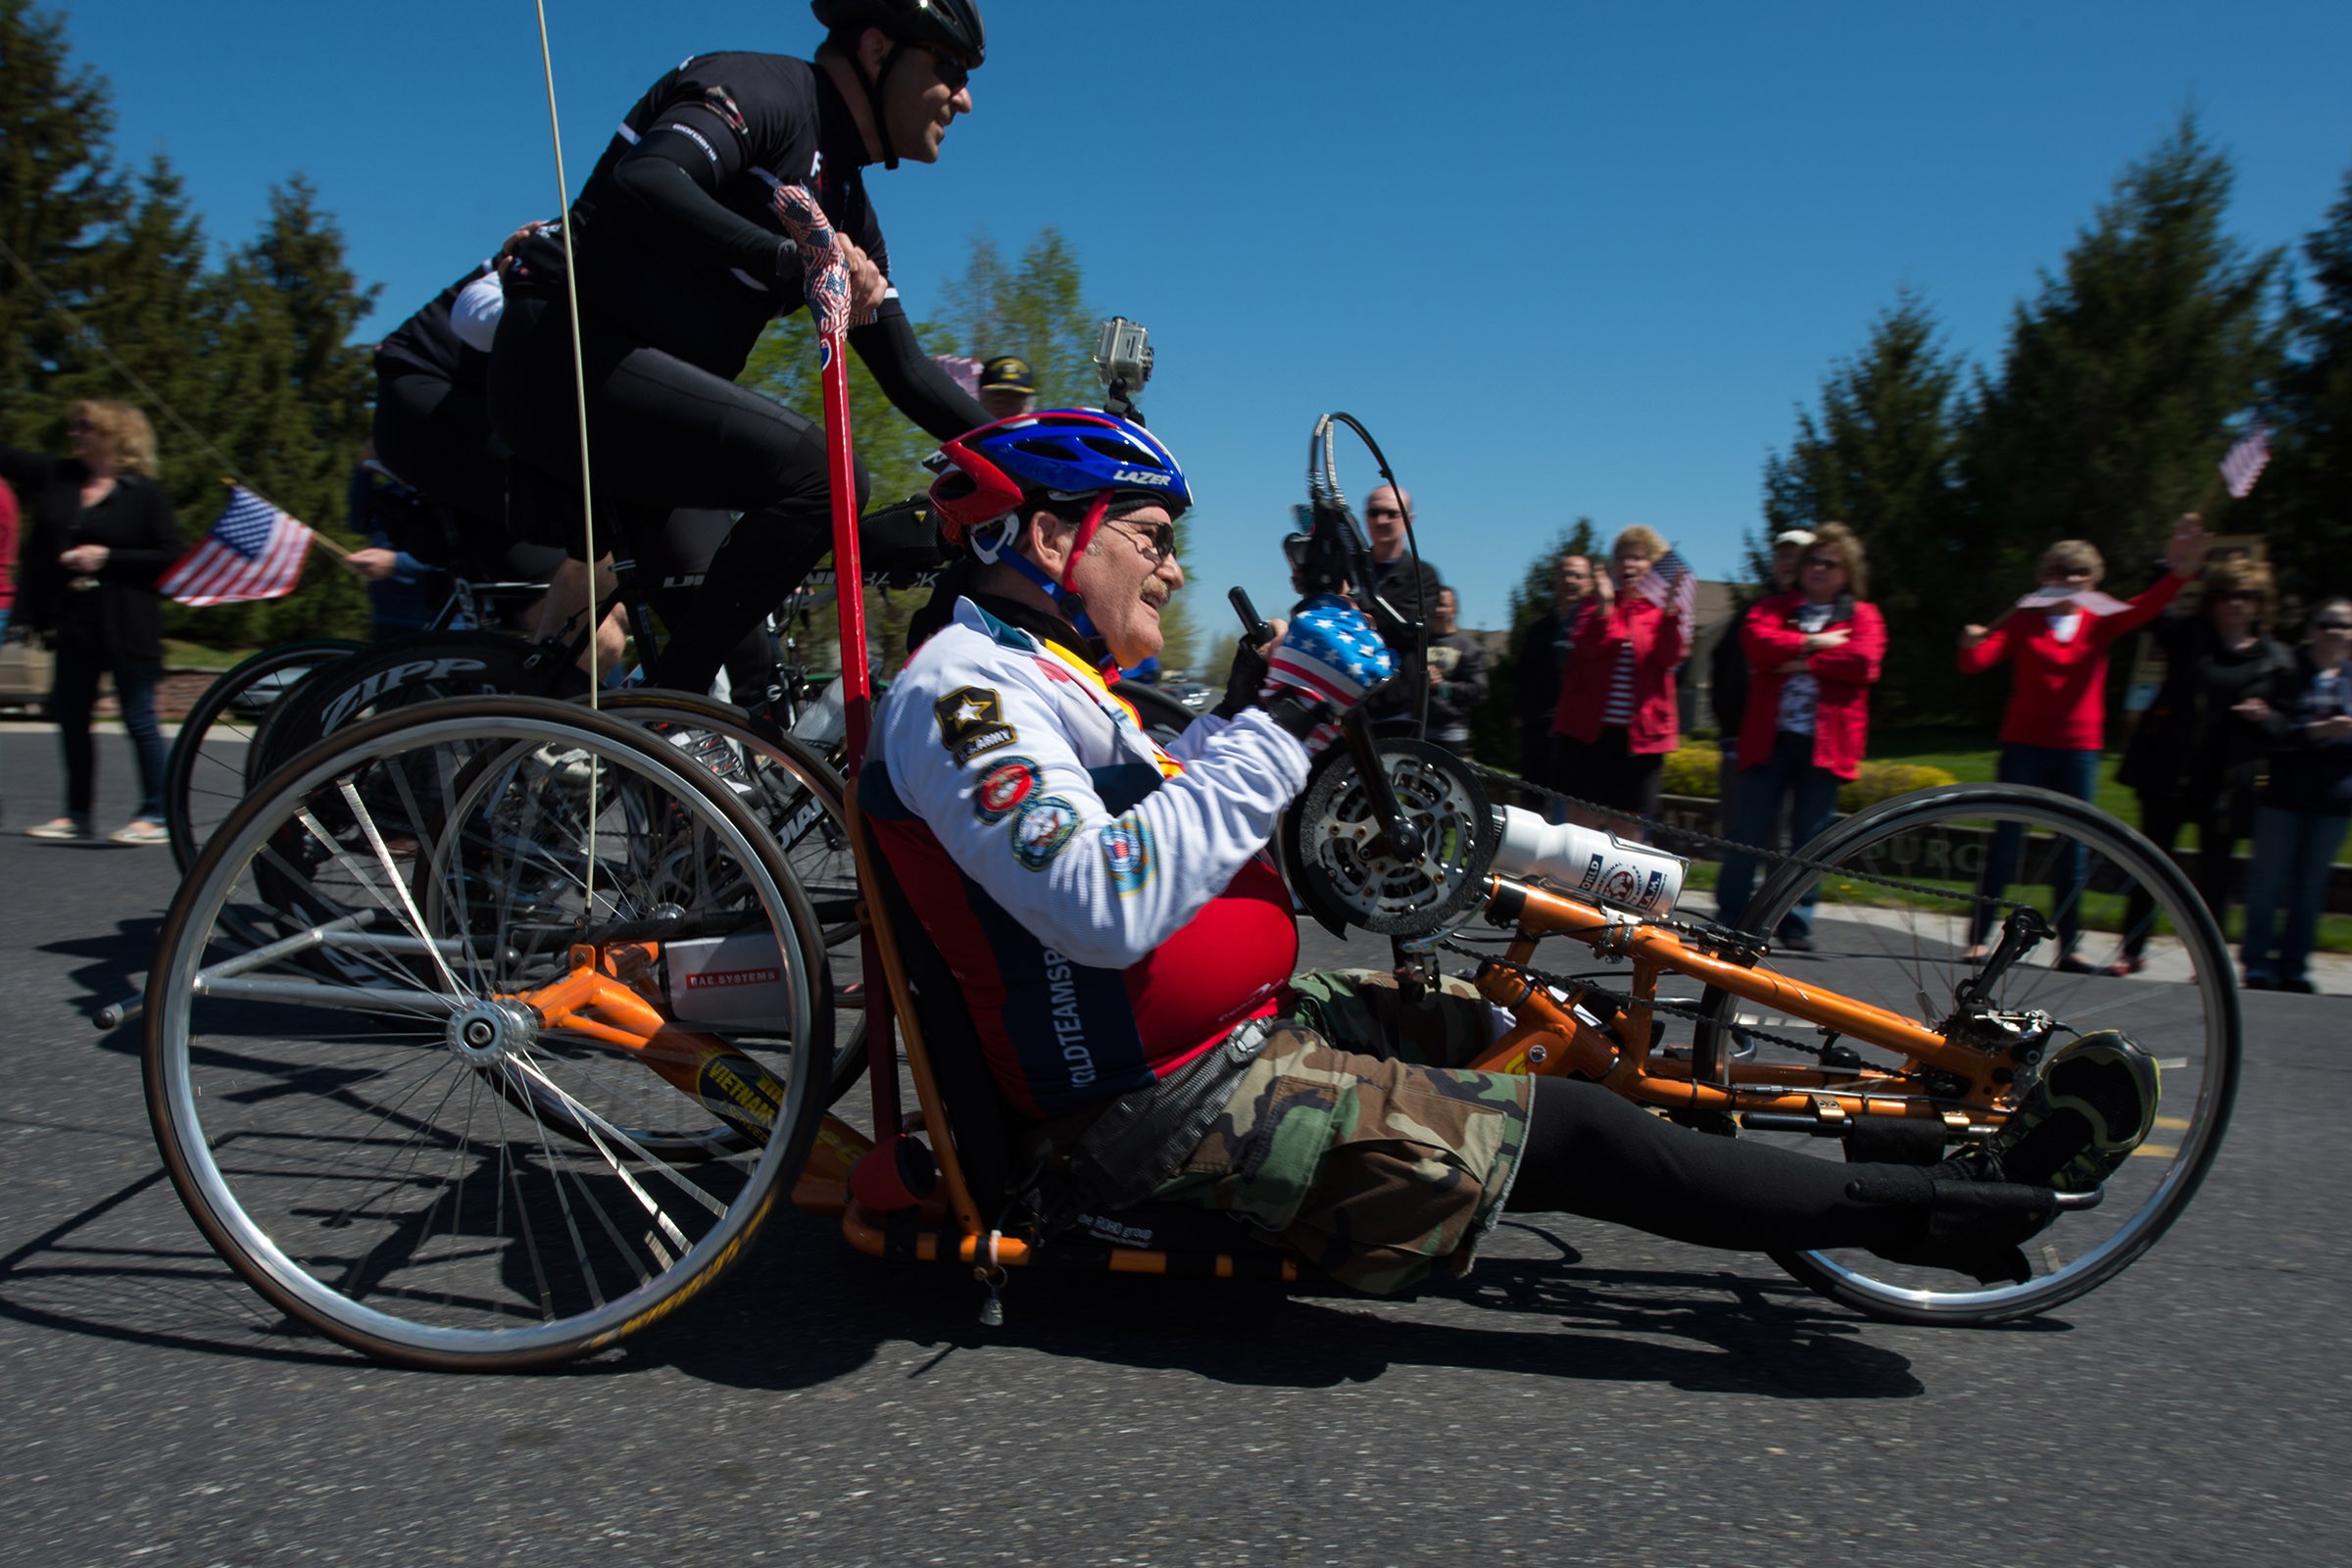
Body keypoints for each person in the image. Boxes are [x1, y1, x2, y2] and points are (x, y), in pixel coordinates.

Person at [861, 406, 2164, 1298]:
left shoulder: (1052, 677)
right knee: (1581, 1131)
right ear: (1047, 537)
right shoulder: (964, 698)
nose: (1169, 573)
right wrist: (1290, 710)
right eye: (1150, 541)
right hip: (1148, 1113)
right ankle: (1944, 1221)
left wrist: (1271, 708)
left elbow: (1185, 807)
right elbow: (1100, 899)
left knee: (1537, 1019)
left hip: (1228, 1033)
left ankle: (1922, 1148)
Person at [489, 0, 993, 698]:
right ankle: (670, 715)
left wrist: (1048, 456)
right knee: (828, 476)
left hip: (648, 416)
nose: (963, 99)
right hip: (563, 363)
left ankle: (666, 746)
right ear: (877, 50)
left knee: (754, 679)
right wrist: (795, 259)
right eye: (951, 68)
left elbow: (906, 374)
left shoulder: (846, 204)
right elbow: (649, 177)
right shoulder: (768, 92)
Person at [1956, 516, 2210, 967]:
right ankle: (1979, 936)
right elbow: (1977, 662)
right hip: (2024, 746)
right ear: (2043, 578)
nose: (2069, 581)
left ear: (2093, 581)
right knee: (2007, 841)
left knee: (2072, 845)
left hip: (2078, 749)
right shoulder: (2024, 620)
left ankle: (2069, 945)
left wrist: (2180, 572)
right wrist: (1970, 641)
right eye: (2059, 572)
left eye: (2079, 574)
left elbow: (2146, 607)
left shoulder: (2100, 622)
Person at [1, 401, 183, 843]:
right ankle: (76, 812)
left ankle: (155, 813)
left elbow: (171, 554)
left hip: (127, 622)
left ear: (114, 435)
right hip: (73, 619)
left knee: (138, 717)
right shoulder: (60, 477)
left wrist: (107, 556)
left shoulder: (144, 493)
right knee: (71, 716)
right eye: (75, 428)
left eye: (85, 428)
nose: (75, 435)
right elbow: (5, 455)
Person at [2110, 557, 2293, 974]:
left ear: (2260, 603)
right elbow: (2155, 609)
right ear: (2211, 600)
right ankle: (2132, 950)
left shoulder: (2276, 659)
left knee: (2217, 875)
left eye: (2245, 596)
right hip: (2171, 773)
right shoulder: (2188, 638)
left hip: (2227, 784)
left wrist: (2265, 716)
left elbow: (2286, 723)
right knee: (2151, 864)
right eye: (2225, 595)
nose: (2234, 604)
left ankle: (2208, 964)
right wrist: (2173, 562)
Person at [1713, 523, 1886, 951]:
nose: (1819, 569)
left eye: (1830, 563)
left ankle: (1795, 921)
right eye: (1813, 561)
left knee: (1811, 838)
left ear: (1846, 572)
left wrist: (1800, 661)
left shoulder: (1863, 615)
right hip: (1770, 738)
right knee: (1747, 829)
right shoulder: (1774, 606)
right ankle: (1730, 912)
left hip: (1824, 744)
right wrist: (1817, 642)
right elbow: (1757, 643)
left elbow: (1864, 661)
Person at [2239, 598, 2352, 993]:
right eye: (2325, 623)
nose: (2333, 632)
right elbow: (2273, 726)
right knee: (2268, 882)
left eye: (2342, 625)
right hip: (2283, 793)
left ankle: (2294, 966)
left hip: (2335, 797)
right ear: (2311, 629)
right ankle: (2256, 963)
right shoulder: (2288, 670)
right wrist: (2318, 732)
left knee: (2310, 886)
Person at [1551, 524, 1688, 837]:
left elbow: (1670, 658)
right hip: (1586, 734)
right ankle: (1569, 886)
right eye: (1623, 557)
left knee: (1627, 826)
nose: (1629, 564)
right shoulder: (1591, 605)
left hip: (1640, 738)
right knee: (1579, 823)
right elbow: (1587, 648)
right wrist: (1604, 607)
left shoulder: (1660, 612)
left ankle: (1615, 886)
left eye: (1638, 557)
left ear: (1652, 565)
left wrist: (1670, 615)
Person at [1710, 528, 1812, 835]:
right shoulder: (1755, 612)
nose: (1787, 563)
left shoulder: (1824, 614)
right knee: (1742, 837)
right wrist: (1730, 729)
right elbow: (1723, 664)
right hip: (1744, 745)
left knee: (1786, 845)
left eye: (1796, 555)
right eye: (1782, 555)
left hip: (1798, 749)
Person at [1351, 484, 1443, 732]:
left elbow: (1406, 631)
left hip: (1395, 707)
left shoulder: (1423, 576)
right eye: (1374, 512)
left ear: (1408, 520)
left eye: (1392, 513)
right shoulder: (1347, 569)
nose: (1381, 520)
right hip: (1343, 699)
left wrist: (1356, 602)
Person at [1511, 551, 1592, 794]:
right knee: (1532, 804)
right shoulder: (1539, 629)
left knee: (1572, 803)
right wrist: (1521, 713)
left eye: (1577, 576)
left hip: (1579, 731)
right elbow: (1522, 673)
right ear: (1556, 581)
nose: (1570, 581)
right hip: (1538, 728)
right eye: (1565, 575)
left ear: (1589, 583)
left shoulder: (1596, 629)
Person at [1423, 585, 1489, 754]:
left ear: (1455, 609)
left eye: (1443, 605)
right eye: (1434, 604)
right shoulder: (1417, 643)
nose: (1438, 609)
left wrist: (1443, 686)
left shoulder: (1469, 647)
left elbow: (1479, 691)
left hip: (1449, 732)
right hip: (1416, 726)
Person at [976, 355, 1035, 419]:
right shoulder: (967, 428)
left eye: (1017, 403)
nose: (1009, 410)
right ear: (980, 397)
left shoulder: (1043, 428)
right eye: (999, 401)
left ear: (1031, 406)